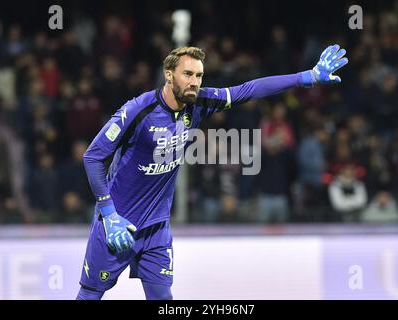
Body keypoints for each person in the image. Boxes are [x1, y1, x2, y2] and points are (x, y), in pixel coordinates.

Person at [77, 45, 348, 300]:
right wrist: (109, 214)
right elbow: (92, 157)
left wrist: (307, 77)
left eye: (199, 75)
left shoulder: (200, 102)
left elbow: (249, 89)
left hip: (157, 228)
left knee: (163, 298)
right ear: (168, 75)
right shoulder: (138, 110)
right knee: (90, 294)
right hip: (116, 224)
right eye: (188, 74)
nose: (194, 82)